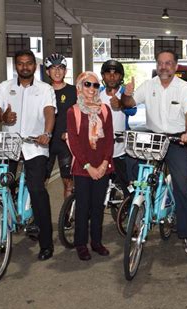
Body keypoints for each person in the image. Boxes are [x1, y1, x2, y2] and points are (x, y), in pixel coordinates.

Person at [121, 49, 187, 254]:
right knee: (136, 171)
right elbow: (129, 103)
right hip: (154, 139)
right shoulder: (148, 85)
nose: (163, 67)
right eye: (160, 63)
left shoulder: (183, 88)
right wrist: (126, 93)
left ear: (175, 66)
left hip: (177, 140)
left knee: (182, 188)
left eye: (168, 63)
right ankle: (139, 208)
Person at [0, 49, 56, 261]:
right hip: (9, 145)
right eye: (20, 63)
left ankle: (46, 243)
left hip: (35, 145)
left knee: (37, 191)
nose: (24, 66)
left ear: (35, 66)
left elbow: (49, 111)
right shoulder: (4, 87)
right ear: (15, 66)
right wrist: (2, 117)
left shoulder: (45, 89)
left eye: (28, 63)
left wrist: (47, 133)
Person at [67, 71, 114, 261]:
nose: (92, 89)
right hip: (82, 167)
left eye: (96, 85)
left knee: (97, 207)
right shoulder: (73, 111)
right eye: (87, 84)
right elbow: (74, 142)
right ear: (79, 87)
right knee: (83, 207)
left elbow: (109, 138)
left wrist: (104, 163)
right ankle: (80, 244)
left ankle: (96, 242)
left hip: (102, 166)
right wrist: (88, 166)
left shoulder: (105, 110)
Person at [99, 60, 136, 196]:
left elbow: (133, 111)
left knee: (126, 185)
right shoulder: (98, 94)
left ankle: (131, 209)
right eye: (108, 73)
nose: (112, 76)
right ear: (103, 76)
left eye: (116, 73)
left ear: (121, 76)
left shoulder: (125, 94)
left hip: (120, 149)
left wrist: (120, 105)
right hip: (101, 149)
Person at [44, 53, 76, 199]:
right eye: (53, 68)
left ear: (65, 71)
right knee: (41, 182)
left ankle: (67, 218)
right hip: (45, 143)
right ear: (47, 71)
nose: (57, 71)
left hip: (66, 143)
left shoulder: (74, 91)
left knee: (68, 182)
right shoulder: (41, 91)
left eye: (61, 68)